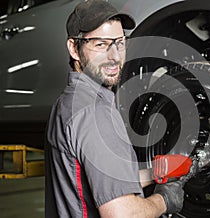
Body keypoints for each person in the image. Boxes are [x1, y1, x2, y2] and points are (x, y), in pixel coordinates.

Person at [44, 0, 185, 217]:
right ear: (74, 48)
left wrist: (155, 173)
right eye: (101, 44)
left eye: (119, 43)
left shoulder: (68, 103)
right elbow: (122, 214)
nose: (115, 56)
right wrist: (165, 199)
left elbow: (99, 178)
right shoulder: (94, 113)